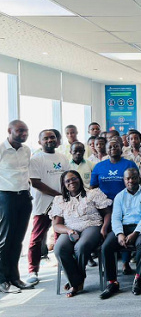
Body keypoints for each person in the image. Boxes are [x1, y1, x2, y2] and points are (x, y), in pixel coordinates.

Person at [51, 170, 112, 297]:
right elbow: (56, 225)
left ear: (80, 179)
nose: (72, 182)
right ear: (63, 184)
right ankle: (77, 280)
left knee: (81, 246)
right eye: (68, 181)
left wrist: (104, 228)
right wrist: (68, 230)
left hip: (92, 225)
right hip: (70, 228)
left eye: (74, 179)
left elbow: (107, 212)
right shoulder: (59, 200)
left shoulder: (93, 194)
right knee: (59, 248)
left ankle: (75, 284)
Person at [100, 168, 141, 298]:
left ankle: (138, 278)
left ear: (138, 178)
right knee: (106, 247)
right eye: (127, 178)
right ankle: (112, 282)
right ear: (124, 180)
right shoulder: (119, 196)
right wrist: (119, 234)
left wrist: (135, 233)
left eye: (133, 178)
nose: (130, 181)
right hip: (123, 228)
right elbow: (116, 218)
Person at [27, 129, 69, 286]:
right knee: (37, 238)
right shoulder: (36, 159)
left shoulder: (63, 158)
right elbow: (36, 182)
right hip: (42, 204)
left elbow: (67, 178)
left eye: (52, 137)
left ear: (57, 140)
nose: (50, 140)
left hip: (60, 203)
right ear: (40, 142)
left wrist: (63, 196)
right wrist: (57, 194)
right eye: (46, 138)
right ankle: (33, 270)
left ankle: (63, 264)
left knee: (60, 236)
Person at [0, 120, 33, 293]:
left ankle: (15, 277)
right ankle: (2, 280)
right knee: (4, 240)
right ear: (9, 131)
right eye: (20, 131)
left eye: (26, 131)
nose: (24, 134)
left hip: (24, 197)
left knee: (18, 240)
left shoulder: (27, 150)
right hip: (6, 197)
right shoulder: (1, 149)